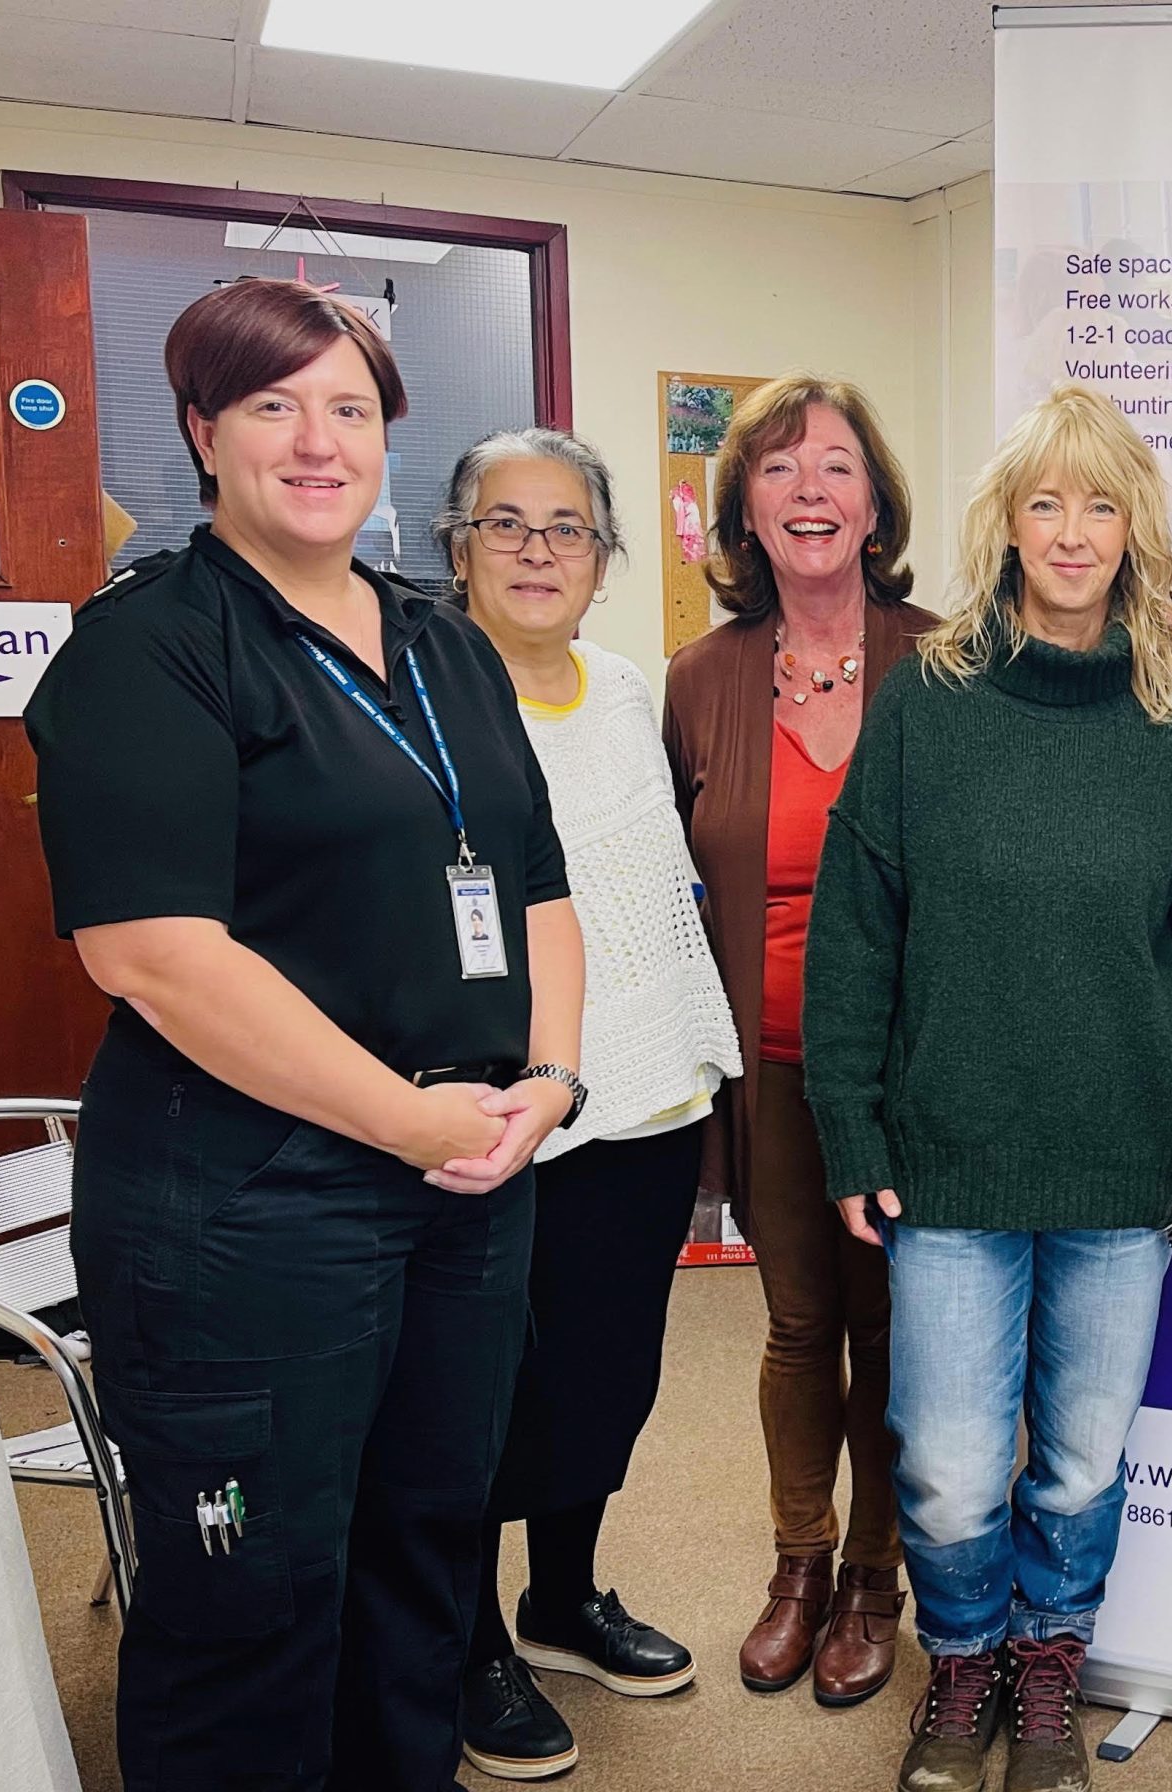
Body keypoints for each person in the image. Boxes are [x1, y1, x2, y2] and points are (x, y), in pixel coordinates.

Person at [25, 277, 583, 1788]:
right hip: (254, 1203)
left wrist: (547, 1080)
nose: (318, 441)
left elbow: (533, 884)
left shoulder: (444, 641)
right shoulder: (151, 650)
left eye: (351, 408)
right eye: (274, 406)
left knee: (420, 1556)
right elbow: (154, 954)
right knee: (252, 1604)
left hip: (465, 1186)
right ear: (202, 432)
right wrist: (410, 1120)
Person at [806, 381, 1172, 1792]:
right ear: (1006, 525)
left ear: (1137, 531)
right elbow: (855, 932)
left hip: (1124, 1161)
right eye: (1046, 502)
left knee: (1076, 1454)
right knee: (946, 1462)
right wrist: (849, 1126)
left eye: (1102, 504)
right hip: (949, 1153)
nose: (1072, 532)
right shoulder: (926, 708)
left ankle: (1049, 1665)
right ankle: (963, 1672)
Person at [438, 429, 743, 1776]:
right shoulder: (420, 689)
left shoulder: (629, 688)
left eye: (567, 528)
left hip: (644, 1092)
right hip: (492, 1107)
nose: (538, 550)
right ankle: (461, 1641)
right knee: (478, 1387)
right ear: (459, 548)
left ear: (607, 559)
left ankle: (561, 1597)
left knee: (605, 1375)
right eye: (507, 524)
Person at [662, 375, 940, 1709]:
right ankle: (799, 1566)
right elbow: (664, 887)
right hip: (767, 1068)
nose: (810, 491)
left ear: (875, 500)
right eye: (778, 471)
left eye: (835, 467)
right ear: (745, 511)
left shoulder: (946, 663)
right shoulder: (700, 681)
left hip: (912, 1078)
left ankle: (878, 1583)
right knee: (794, 1326)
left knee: (891, 1333)